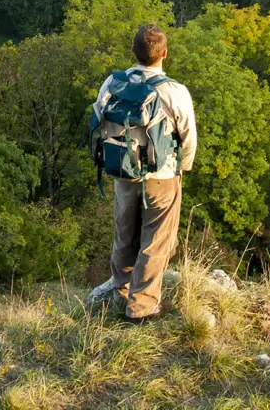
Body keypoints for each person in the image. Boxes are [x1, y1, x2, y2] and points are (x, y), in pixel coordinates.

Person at [91, 23, 197, 323]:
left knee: (124, 232)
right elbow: (188, 138)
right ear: (164, 53)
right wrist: (181, 170)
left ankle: (120, 290)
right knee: (156, 239)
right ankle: (142, 306)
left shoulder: (113, 82)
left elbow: (99, 121)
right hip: (161, 176)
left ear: (133, 51)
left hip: (122, 171)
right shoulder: (175, 91)